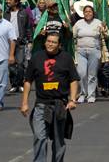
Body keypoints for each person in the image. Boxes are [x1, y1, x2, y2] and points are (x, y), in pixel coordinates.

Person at [20, 32, 79, 162]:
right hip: (41, 105)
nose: (50, 44)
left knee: (58, 141)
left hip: (59, 106)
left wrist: (73, 99)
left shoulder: (66, 58)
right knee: (40, 137)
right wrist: (24, 103)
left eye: (53, 42)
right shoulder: (36, 58)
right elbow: (28, 81)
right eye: (48, 41)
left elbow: (74, 80)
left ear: (59, 45)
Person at [72, 4, 105, 103]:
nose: (88, 13)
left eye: (90, 11)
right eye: (86, 12)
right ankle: (83, 93)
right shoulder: (78, 23)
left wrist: (104, 29)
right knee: (81, 73)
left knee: (92, 74)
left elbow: (106, 35)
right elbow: (72, 35)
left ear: (93, 13)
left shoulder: (98, 23)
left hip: (94, 50)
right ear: (83, 13)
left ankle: (91, 94)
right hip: (81, 51)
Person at [4, 0, 32, 94]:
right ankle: (14, 84)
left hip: (20, 42)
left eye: (10, 0)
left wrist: (30, 40)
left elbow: (28, 28)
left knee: (20, 64)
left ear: (16, 2)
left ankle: (20, 83)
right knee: (11, 65)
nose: (8, 1)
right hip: (8, 42)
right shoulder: (6, 13)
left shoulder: (23, 13)